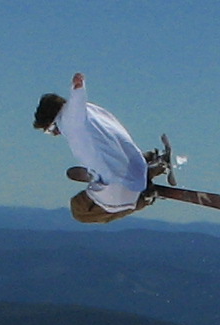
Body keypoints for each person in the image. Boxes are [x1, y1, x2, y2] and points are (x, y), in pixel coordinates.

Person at [33, 72, 164, 222]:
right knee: (116, 159)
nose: (55, 134)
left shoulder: (69, 119)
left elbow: (76, 104)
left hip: (121, 186)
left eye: (50, 131)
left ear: (54, 120)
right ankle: (152, 164)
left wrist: (77, 89)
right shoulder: (92, 111)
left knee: (80, 210)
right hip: (134, 165)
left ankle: (144, 199)